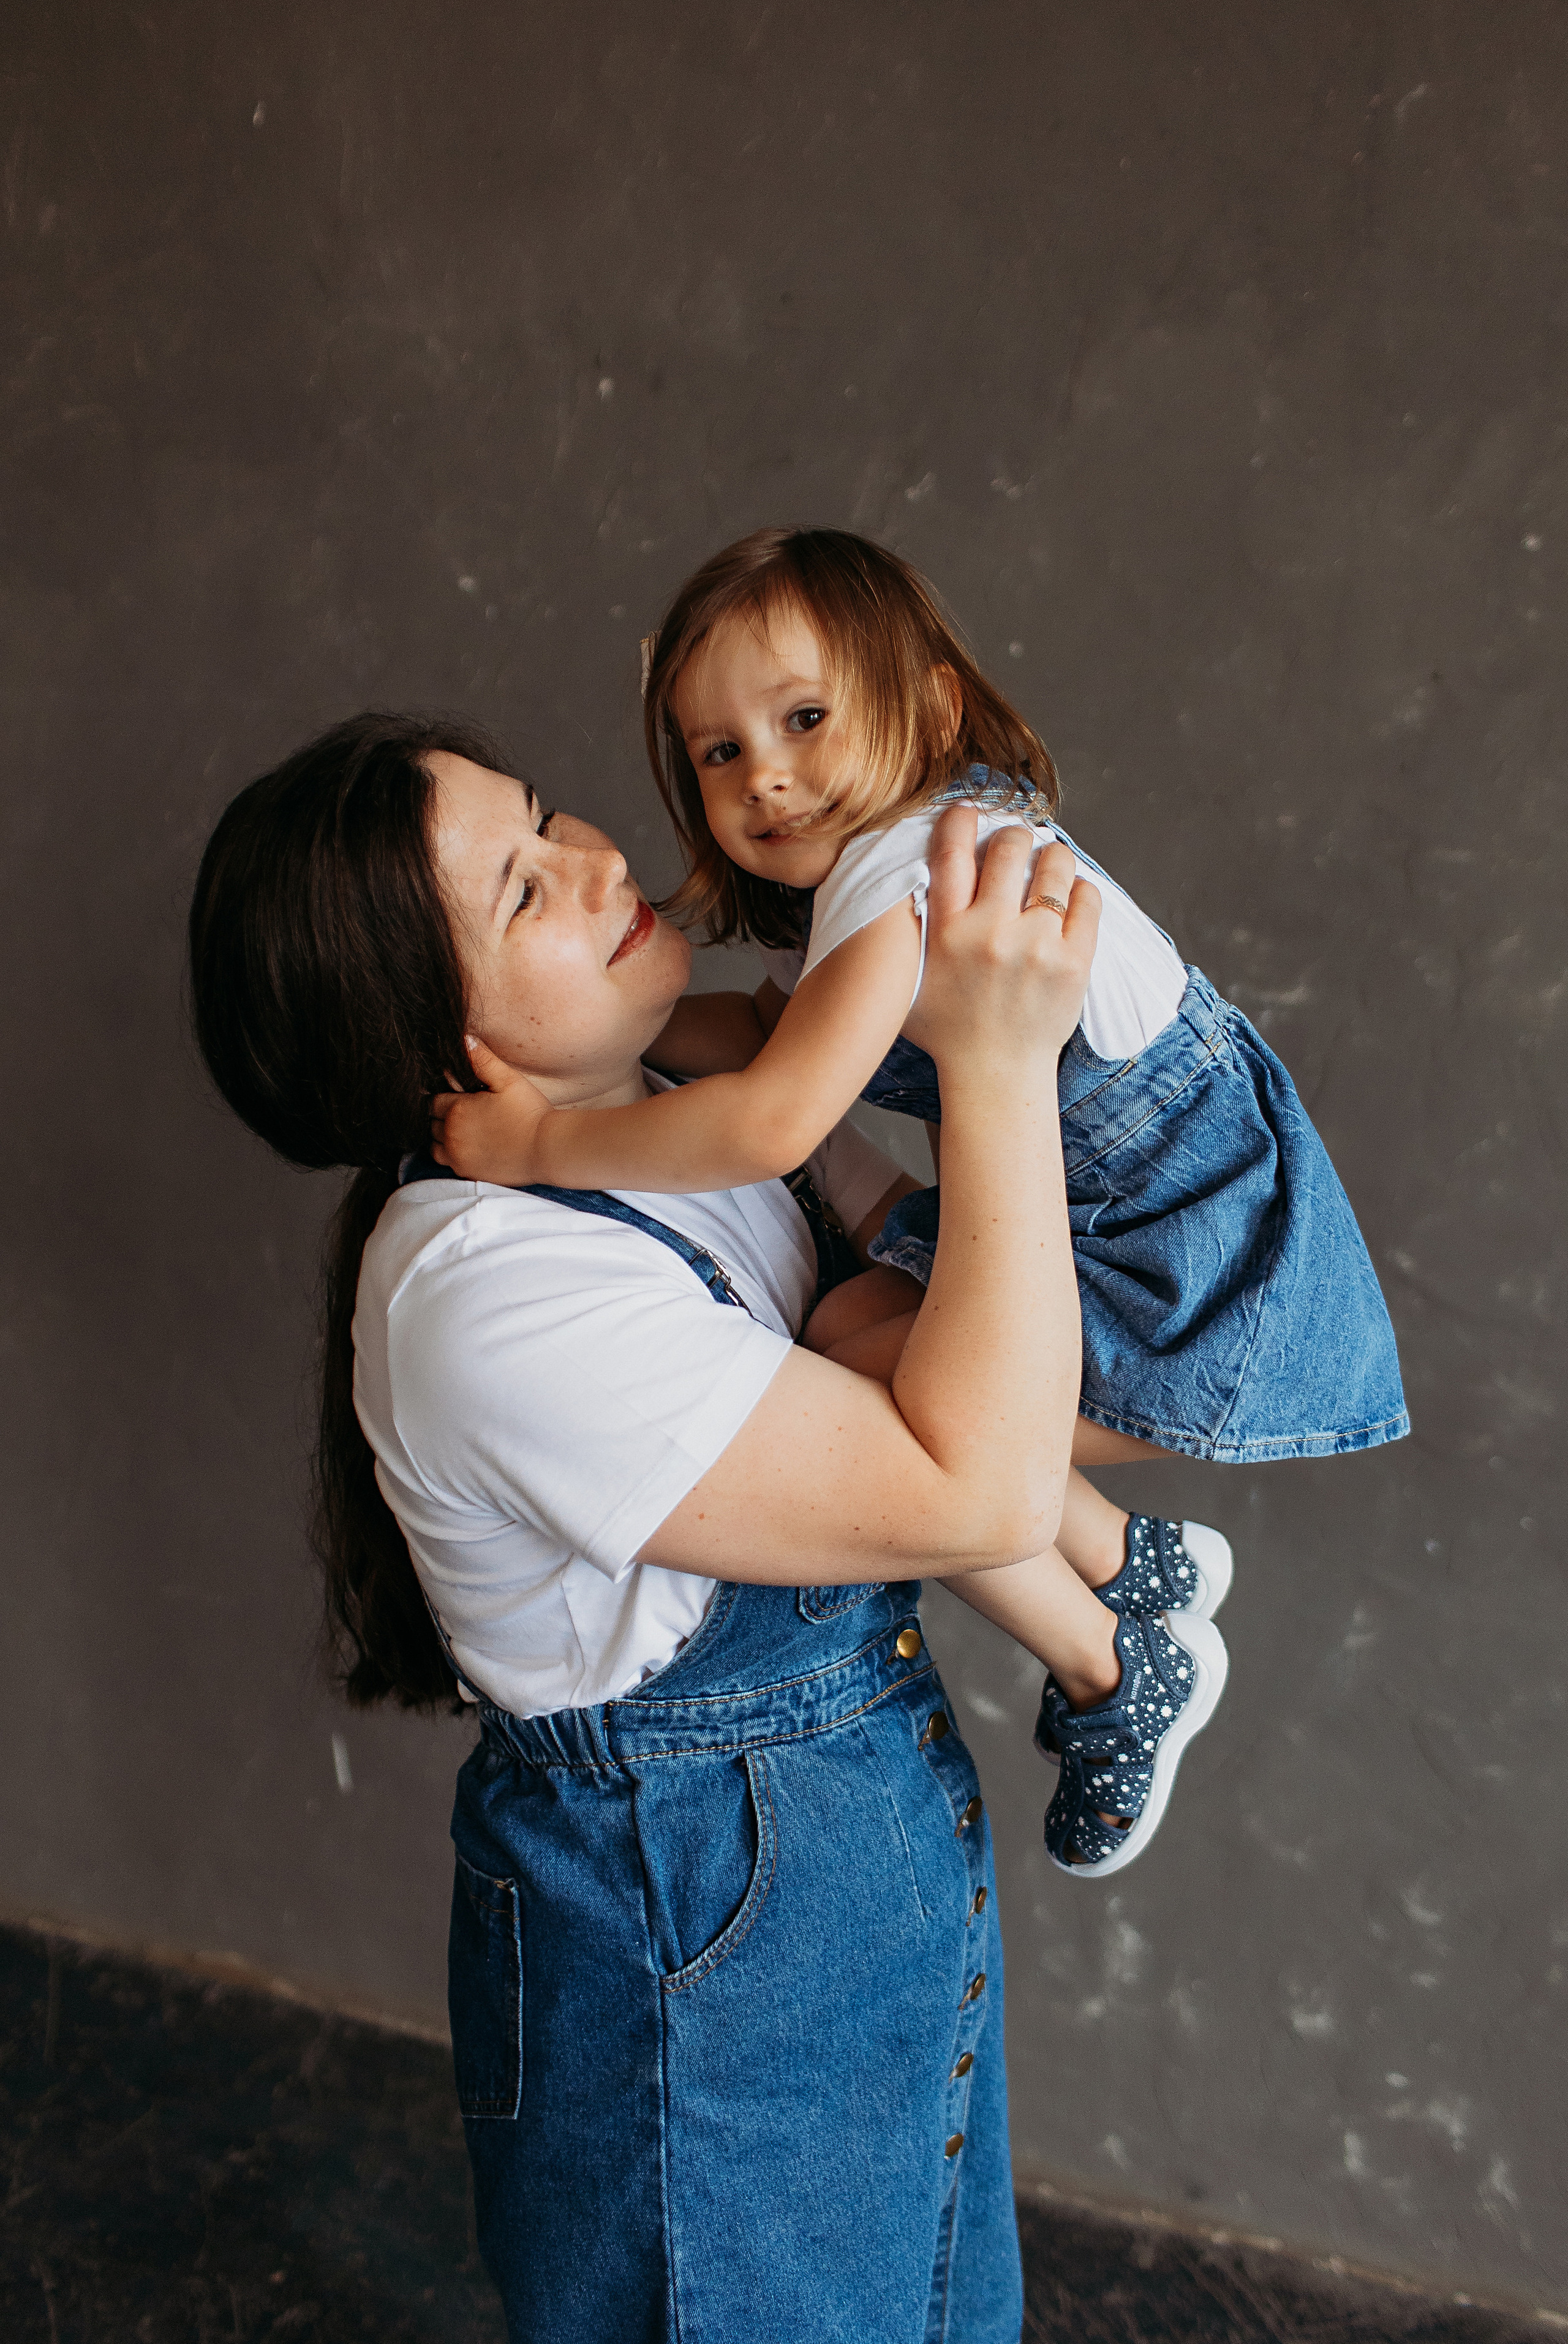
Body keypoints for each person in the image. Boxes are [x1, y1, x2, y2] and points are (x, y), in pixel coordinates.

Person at [186, 708, 1159, 2344]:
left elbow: (990, 1363)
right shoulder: (485, 1295)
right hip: (699, 1932)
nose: (597, 857)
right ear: (442, 1053)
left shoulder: (663, 1112)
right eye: (519, 894)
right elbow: (975, 1489)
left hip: (843, 1860)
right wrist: (993, 1066)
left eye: (549, 816)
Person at [429, 526, 1409, 1878]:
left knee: (879, 1393)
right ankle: (1136, 1575)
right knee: (854, 1320)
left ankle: (1122, 1645)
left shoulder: (914, 877)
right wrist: (614, 1050)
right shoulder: (905, 858)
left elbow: (774, 1113)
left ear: (930, 705)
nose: (763, 773)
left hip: (1188, 1279)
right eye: (718, 754)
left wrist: (541, 1141)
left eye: (804, 717)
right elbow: (765, 1043)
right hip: (1136, 1234)